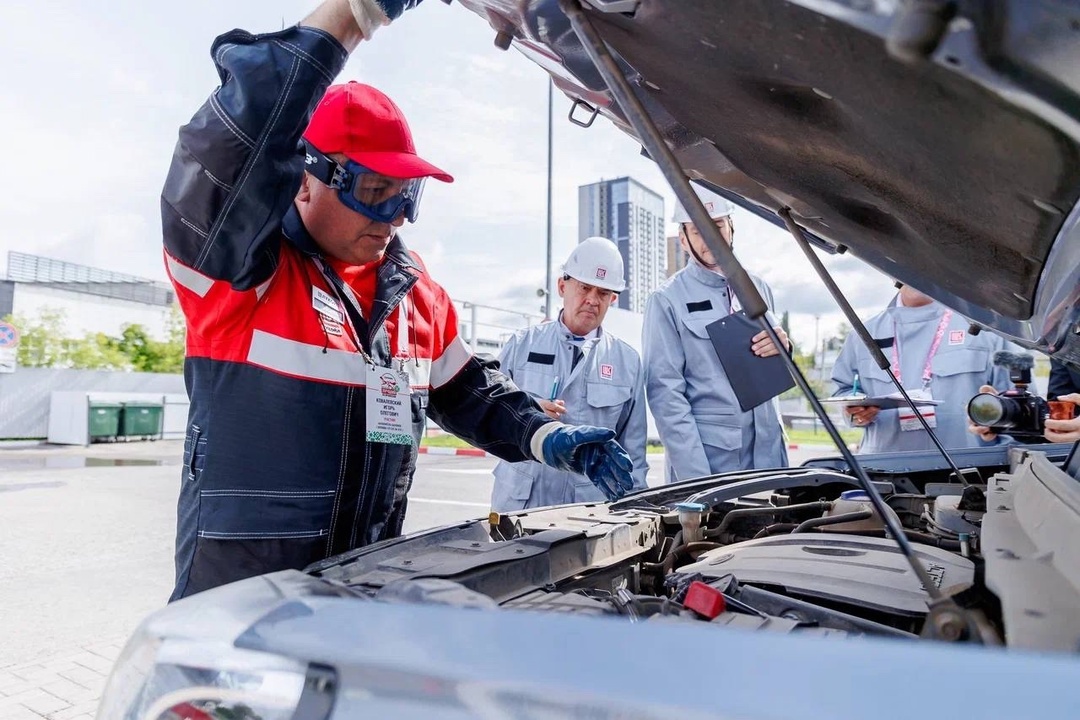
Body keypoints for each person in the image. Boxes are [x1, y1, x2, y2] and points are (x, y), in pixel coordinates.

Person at [162, 0, 633, 600]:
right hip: (244, 600)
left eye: (407, 195)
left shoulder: (416, 293)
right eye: (375, 191)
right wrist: (349, 15)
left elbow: (470, 394)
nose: (396, 217)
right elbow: (231, 150)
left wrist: (546, 436)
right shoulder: (237, 274)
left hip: (366, 583)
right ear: (305, 180)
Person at [643, 185, 790, 483]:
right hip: (715, 465)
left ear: (732, 227)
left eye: (717, 225)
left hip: (770, 457)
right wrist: (697, 482)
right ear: (683, 239)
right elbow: (666, 395)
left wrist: (784, 350)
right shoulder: (667, 300)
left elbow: (773, 367)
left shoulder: (758, 288)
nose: (710, 235)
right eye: (697, 230)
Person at [491, 238, 649, 510]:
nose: (592, 300)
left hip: (587, 509)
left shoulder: (627, 362)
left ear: (613, 299)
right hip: (521, 503)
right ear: (563, 286)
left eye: (602, 293)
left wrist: (636, 511)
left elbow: (633, 452)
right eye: (585, 287)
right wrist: (527, 413)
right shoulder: (520, 346)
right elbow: (489, 418)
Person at [831, 283, 1012, 453]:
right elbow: (843, 392)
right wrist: (854, 411)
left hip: (969, 472)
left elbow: (1019, 406)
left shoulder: (988, 330)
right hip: (883, 473)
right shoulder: (862, 335)